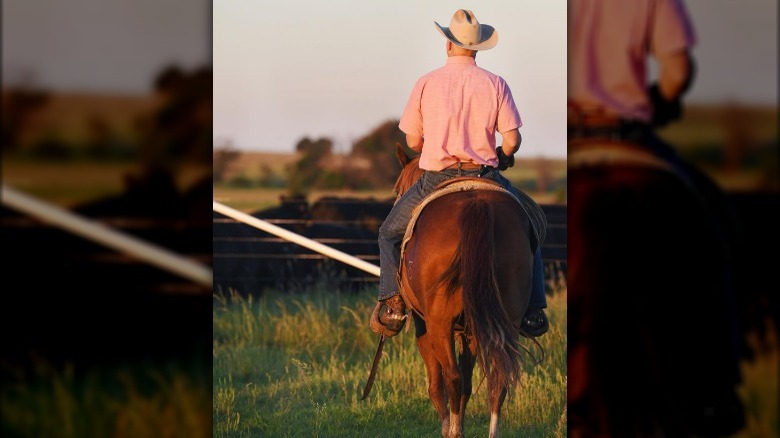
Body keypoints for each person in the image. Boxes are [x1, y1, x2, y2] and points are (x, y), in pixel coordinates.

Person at [567, 0, 745, 436]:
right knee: (716, 221)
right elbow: (677, 71)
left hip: (573, 143)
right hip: (629, 136)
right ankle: (717, 389)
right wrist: (660, 99)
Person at [370, 9, 549, 339]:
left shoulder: (426, 82)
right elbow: (511, 140)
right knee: (532, 226)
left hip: (437, 178)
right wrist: (503, 154)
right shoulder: (496, 83)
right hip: (486, 176)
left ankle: (393, 304)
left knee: (388, 233)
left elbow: (412, 141)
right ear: (478, 48)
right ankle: (533, 308)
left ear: (448, 45)